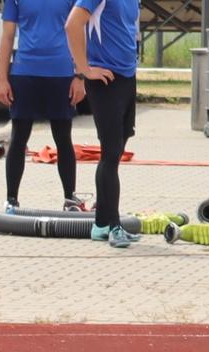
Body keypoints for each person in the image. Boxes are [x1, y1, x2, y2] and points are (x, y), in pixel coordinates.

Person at [0, 0, 80, 213]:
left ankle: (70, 199)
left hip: (61, 73)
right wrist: (1, 79)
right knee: (19, 137)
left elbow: (81, 30)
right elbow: (6, 37)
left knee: (63, 138)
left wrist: (80, 76)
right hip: (25, 73)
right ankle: (11, 199)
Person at [67, 0, 138, 247]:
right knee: (109, 153)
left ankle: (100, 224)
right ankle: (115, 226)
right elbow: (72, 24)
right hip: (105, 81)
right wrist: (83, 69)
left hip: (127, 78)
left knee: (116, 153)